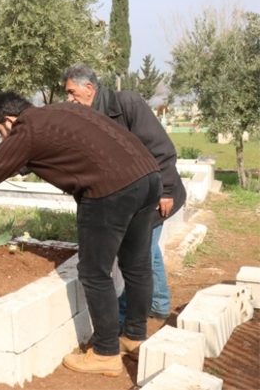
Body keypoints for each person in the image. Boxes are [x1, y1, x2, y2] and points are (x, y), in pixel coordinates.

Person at [0, 91, 161, 377]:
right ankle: (134, 336)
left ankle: (105, 353)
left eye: (2, 131)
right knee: (136, 265)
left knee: (94, 272)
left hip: (110, 189)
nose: (4, 139)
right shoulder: (60, 112)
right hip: (148, 176)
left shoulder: (28, 129)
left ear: (11, 120)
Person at [62, 63, 186, 322]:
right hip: (130, 197)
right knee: (146, 252)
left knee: (141, 253)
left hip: (156, 193)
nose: (69, 98)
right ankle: (158, 303)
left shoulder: (127, 104)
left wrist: (167, 190)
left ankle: (138, 308)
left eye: (72, 92)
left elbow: (161, 148)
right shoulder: (87, 118)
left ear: (89, 88)